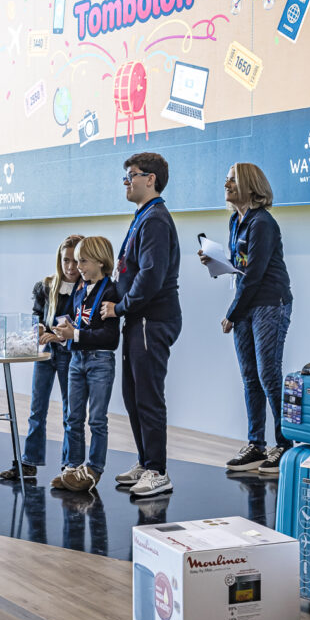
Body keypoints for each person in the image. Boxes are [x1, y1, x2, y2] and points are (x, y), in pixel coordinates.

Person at [200, 163, 292, 476]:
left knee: (269, 375)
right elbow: (241, 266)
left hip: (269, 303)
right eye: (226, 179)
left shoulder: (263, 222)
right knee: (250, 377)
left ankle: (285, 444)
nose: (226, 184)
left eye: (233, 180)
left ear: (251, 186)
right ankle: (256, 445)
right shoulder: (235, 220)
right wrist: (216, 262)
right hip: (248, 302)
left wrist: (232, 314)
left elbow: (254, 274)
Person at [101, 153, 181, 498]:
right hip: (138, 319)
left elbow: (151, 276)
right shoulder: (143, 216)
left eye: (131, 175)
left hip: (151, 319)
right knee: (132, 396)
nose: (126, 181)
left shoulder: (156, 220)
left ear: (151, 179)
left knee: (148, 397)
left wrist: (120, 307)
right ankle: (146, 461)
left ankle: (158, 471)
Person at [0, 233, 84, 481]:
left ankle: (71, 466)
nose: (70, 267)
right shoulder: (46, 286)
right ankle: (29, 462)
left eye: (75, 261)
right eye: (65, 260)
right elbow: (36, 316)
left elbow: (84, 328)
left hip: (72, 355)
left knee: (71, 413)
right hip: (45, 354)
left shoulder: (87, 289)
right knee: (37, 410)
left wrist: (58, 336)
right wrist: (36, 328)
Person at [51, 236, 119, 493]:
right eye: (76, 261)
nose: (77, 266)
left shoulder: (111, 291)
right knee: (73, 417)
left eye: (83, 261)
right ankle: (72, 467)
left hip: (100, 361)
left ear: (101, 261)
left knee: (97, 419)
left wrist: (75, 334)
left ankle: (94, 469)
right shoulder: (80, 289)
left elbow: (110, 337)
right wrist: (62, 331)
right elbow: (75, 321)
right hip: (76, 359)